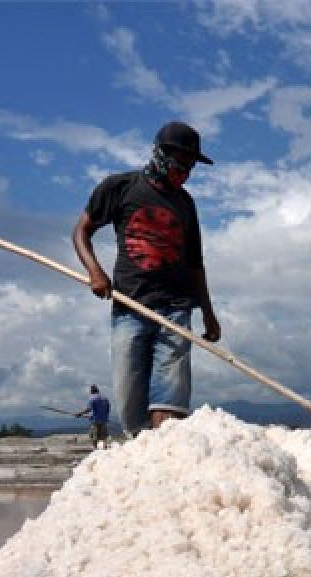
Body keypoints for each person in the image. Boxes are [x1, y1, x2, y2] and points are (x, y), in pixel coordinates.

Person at [72, 121, 220, 436]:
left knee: (169, 402)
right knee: (129, 408)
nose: (188, 173)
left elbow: (195, 264)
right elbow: (81, 230)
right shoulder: (119, 188)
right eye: (183, 164)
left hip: (176, 308)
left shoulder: (185, 204)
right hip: (130, 307)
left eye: (192, 167)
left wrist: (208, 313)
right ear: (162, 155)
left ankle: (168, 460)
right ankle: (143, 460)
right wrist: (94, 271)